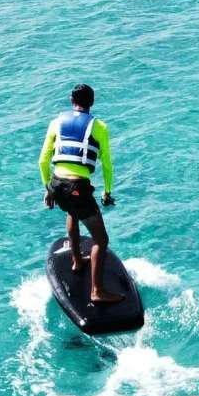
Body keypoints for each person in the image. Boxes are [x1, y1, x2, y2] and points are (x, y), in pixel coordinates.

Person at [39, 84, 121, 303]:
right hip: (77, 187)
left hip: (57, 184)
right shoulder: (100, 127)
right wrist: (107, 192)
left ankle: (76, 260)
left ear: (70, 99)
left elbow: (43, 160)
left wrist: (48, 188)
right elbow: (107, 165)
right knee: (101, 240)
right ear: (91, 102)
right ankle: (97, 291)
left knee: (72, 212)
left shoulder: (56, 123)